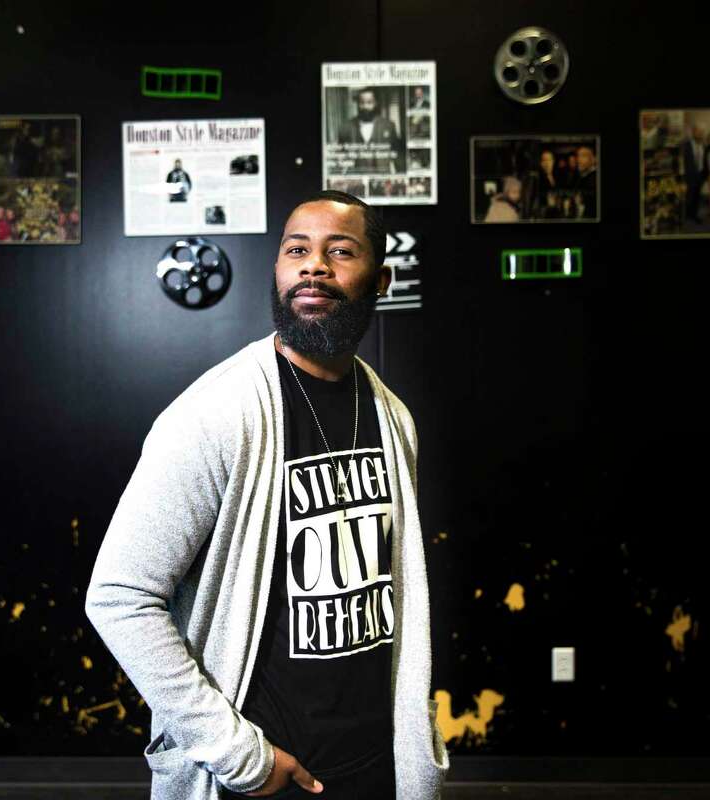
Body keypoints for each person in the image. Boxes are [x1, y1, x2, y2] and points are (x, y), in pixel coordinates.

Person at [85, 190, 448, 800]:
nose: (314, 266)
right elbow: (120, 597)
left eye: (340, 251)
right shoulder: (216, 413)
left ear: (380, 279)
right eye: (297, 250)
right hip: (259, 773)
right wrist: (239, 756)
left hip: (374, 764)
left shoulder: (393, 418)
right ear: (278, 270)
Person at [336, 88, 404, 174]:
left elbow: (397, 155)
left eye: (369, 102)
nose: (365, 106)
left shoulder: (389, 126)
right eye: (362, 103)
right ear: (357, 104)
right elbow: (340, 157)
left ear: (375, 103)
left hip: (382, 176)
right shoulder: (346, 128)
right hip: (356, 176)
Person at [680, 125, 708, 223]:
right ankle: (687, 215)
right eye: (698, 132)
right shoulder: (686, 144)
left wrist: (705, 175)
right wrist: (683, 177)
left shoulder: (703, 145)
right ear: (693, 132)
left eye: (701, 132)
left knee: (697, 196)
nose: (700, 134)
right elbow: (682, 161)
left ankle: (695, 215)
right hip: (689, 175)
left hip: (700, 175)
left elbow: (705, 161)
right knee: (688, 196)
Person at [572, 144, 598, 219]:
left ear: (593, 159)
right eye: (578, 156)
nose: (579, 159)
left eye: (583, 156)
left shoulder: (595, 177)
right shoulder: (580, 176)